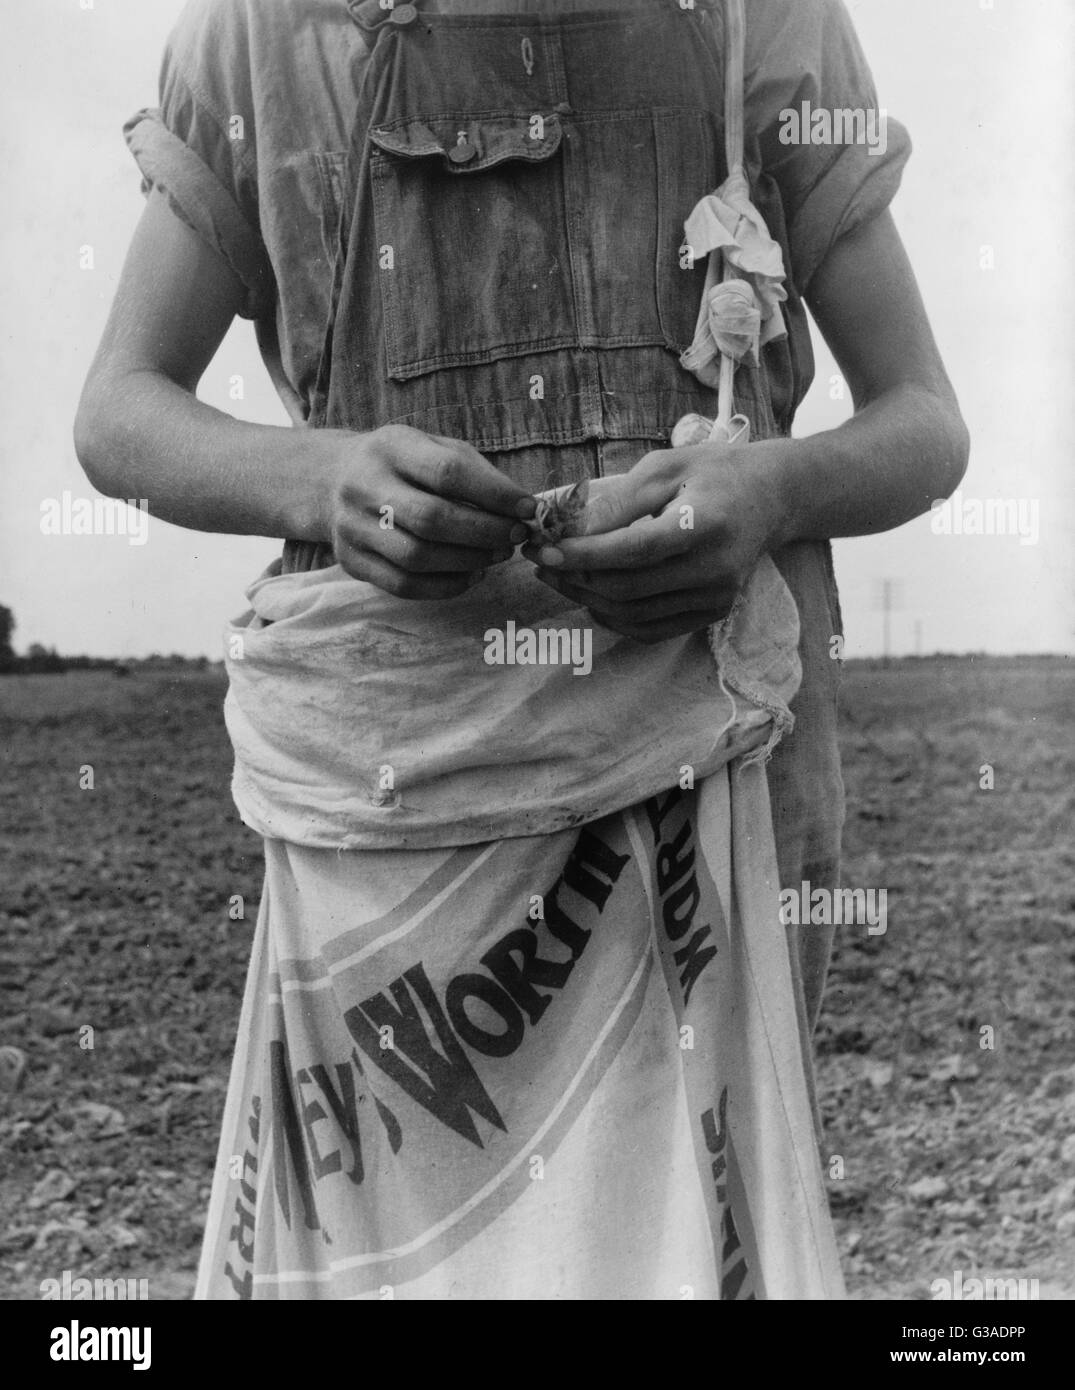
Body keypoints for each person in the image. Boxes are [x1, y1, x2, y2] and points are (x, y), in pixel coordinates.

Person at [75, 0, 968, 1300]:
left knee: (678, 1245)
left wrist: (770, 491)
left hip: (717, 777)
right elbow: (118, 409)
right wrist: (321, 478)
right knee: (417, 1252)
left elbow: (926, 419)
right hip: (391, 801)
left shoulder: (761, 23)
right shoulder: (261, 34)